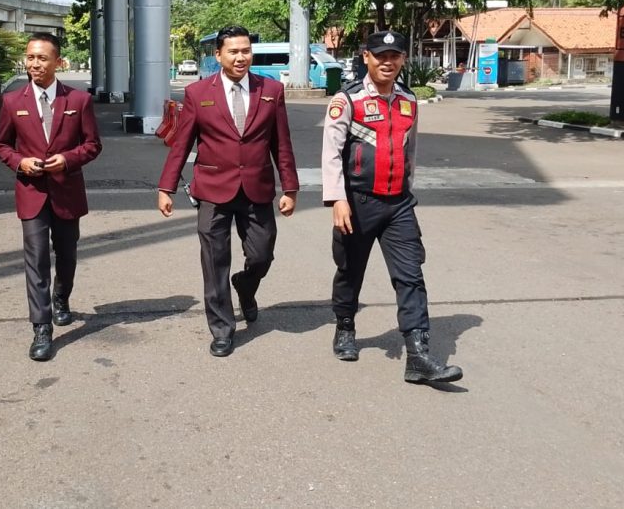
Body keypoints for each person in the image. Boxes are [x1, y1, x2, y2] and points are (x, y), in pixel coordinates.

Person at [321, 30, 463, 384]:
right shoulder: (347, 100)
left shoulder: (408, 100)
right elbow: (331, 153)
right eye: (381, 55)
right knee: (350, 270)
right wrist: (338, 199)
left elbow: (409, 149)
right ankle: (345, 326)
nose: (388, 62)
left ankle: (418, 355)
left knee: (410, 275)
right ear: (366, 56)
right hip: (358, 202)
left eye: (395, 55)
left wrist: (407, 190)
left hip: (398, 203)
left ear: (402, 59)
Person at [157, 25, 299, 358]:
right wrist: (166, 187)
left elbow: (282, 143)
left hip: (257, 188)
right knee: (215, 261)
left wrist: (289, 187)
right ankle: (222, 329)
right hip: (212, 189)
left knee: (262, 255)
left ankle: (246, 287)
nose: (240, 57)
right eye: (233, 51)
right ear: (218, 55)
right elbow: (182, 144)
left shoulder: (272, 90)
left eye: (245, 50)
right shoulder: (197, 93)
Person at [0, 32, 102, 361]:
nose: (35, 64)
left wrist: (68, 159)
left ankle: (61, 297)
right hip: (31, 193)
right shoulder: (13, 102)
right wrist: (19, 161)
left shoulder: (79, 100)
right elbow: (1, 145)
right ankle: (41, 327)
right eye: (30, 58)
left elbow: (93, 145)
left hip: (67, 191)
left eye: (42, 58)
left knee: (66, 256)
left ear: (58, 62)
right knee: (37, 259)